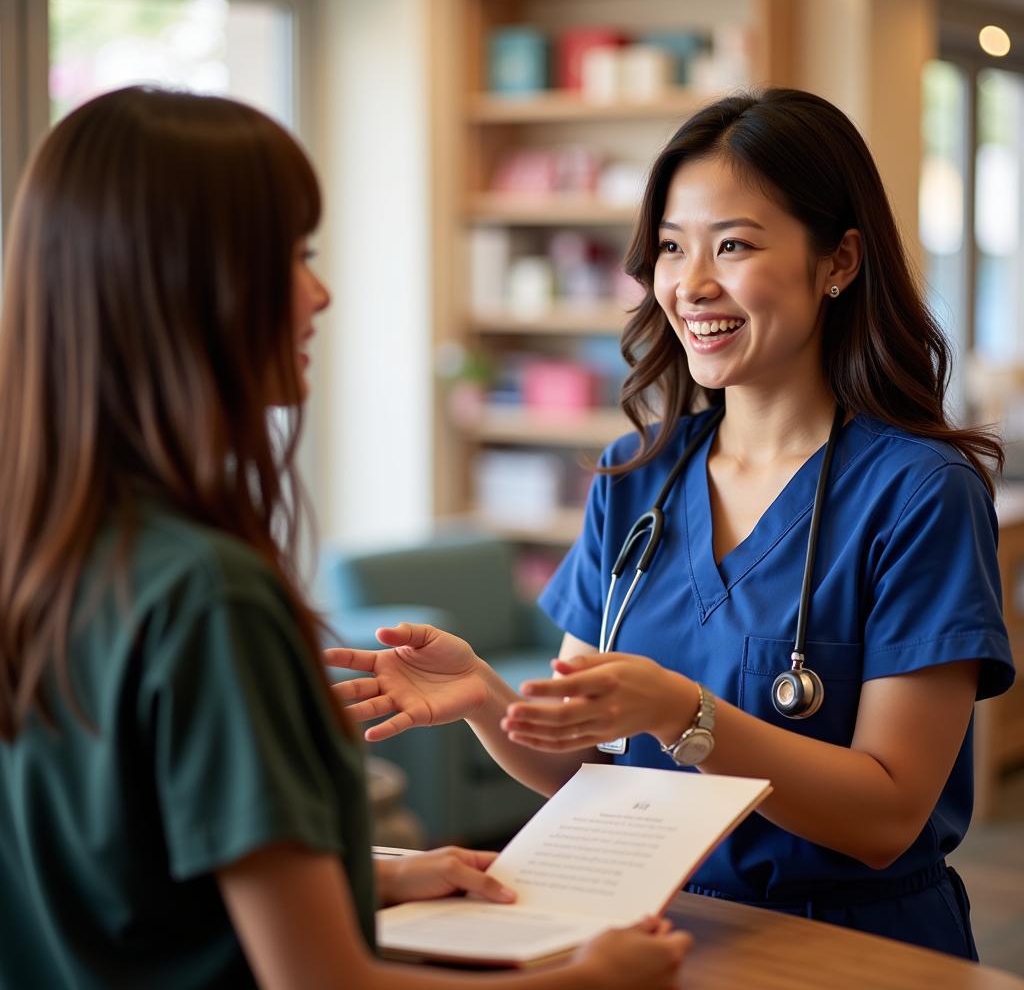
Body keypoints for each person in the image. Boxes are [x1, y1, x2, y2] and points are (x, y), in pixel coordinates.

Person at [0, 87, 691, 990]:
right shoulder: (208, 596)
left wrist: (384, 875)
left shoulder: (49, 555)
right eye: (291, 257)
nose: (319, 294)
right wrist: (594, 981)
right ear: (182, 286)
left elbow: (126, 879)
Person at [328, 88, 1017, 960]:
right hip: (649, 933)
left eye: (733, 244)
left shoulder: (920, 495)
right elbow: (588, 775)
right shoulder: (637, 477)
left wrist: (684, 714)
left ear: (838, 260)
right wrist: (483, 699)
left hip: (848, 948)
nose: (690, 285)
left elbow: (885, 814)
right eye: (669, 247)